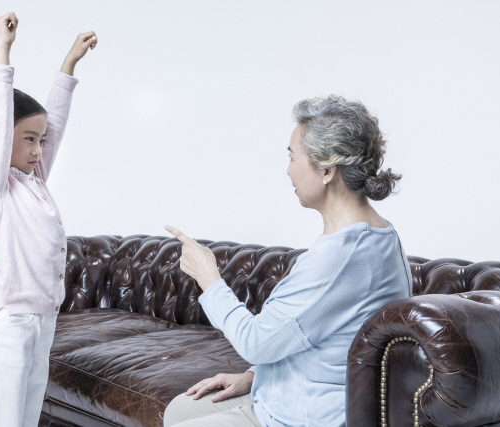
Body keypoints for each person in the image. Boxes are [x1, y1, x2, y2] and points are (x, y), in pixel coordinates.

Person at [163, 95, 413, 427]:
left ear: (326, 170)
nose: (288, 169)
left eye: (293, 156)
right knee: (179, 409)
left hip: (304, 418)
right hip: (292, 395)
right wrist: (255, 377)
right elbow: (326, 335)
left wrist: (208, 276)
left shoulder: (338, 258)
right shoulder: (380, 236)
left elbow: (254, 342)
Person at [0, 12, 97, 427]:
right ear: (5, 141)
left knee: (26, 421)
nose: (37, 150)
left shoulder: (34, 179)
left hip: (43, 322)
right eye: (28, 139)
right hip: (7, 326)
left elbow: (57, 123)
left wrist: (68, 65)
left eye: (40, 141)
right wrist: (3, 52)